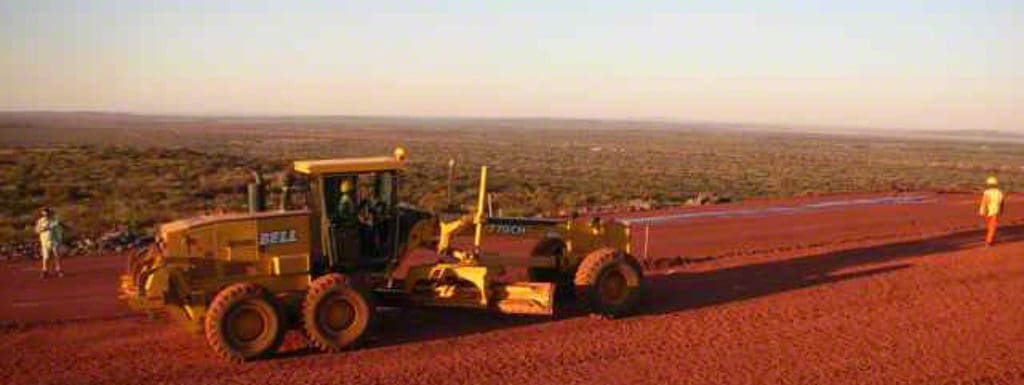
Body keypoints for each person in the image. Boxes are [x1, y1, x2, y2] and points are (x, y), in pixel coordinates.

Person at [35, 207, 64, 278]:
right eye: (44, 213)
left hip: (55, 240)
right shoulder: (40, 221)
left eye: (47, 213)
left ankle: (59, 270)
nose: (46, 214)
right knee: (46, 257)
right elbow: (37, 230)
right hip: (45, 241)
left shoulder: (54, 220)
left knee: (57, 255)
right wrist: (44, 228)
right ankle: (45, 271)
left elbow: (61, 225)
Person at [979, 176, 1006, 247]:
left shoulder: (986, 192)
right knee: (992, 227)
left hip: (987, 212)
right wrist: (1001, 210)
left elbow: (984, 202)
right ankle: (989, 241)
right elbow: (1002, 203)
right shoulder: (999, 193)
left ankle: (991, 239)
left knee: (990, 227)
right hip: (995, 212)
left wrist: (982, 211)